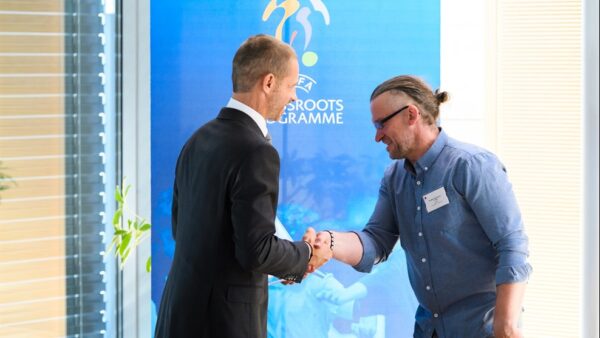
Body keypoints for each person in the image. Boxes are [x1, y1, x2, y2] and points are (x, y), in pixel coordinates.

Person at [314, 75, 532, 338]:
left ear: (411, 114)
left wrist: (506, 326)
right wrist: (329, 242)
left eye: (382, 124)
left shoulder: (472, 166)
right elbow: (376, 242)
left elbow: (512, 244)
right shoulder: (395, 177)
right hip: (430, 328)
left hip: (483, 329)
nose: (377, 136)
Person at [154, 34, 332, 338]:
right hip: (225, 324)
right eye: (292, 86)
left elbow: (182, 229)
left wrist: (285, 262)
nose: (295, 98)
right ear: (269, 82)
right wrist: (304, 256)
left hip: (180, 317)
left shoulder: (198, 140)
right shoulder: (257, 151)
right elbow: (256, 251)